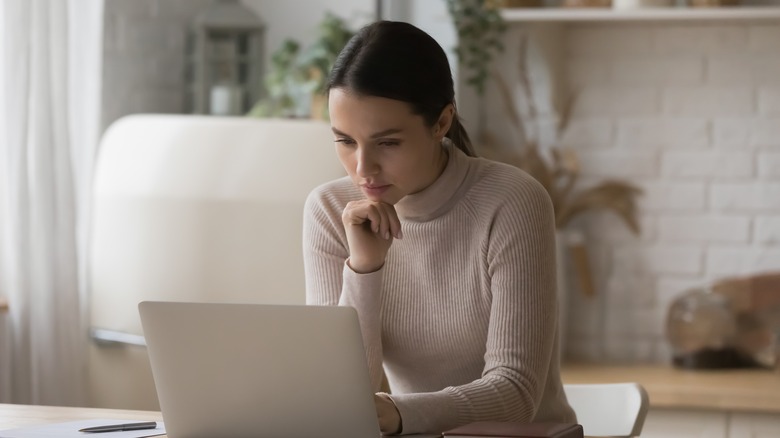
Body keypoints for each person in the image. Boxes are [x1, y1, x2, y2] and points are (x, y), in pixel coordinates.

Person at [302, 20, 576, 435]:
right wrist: (365, 268)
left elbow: (516, 393)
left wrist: (400, 414)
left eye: (388, 142)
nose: (363, 168)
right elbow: (336, 392)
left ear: (441, 121)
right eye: (345, 140)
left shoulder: (512, 200)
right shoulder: (330, 209)